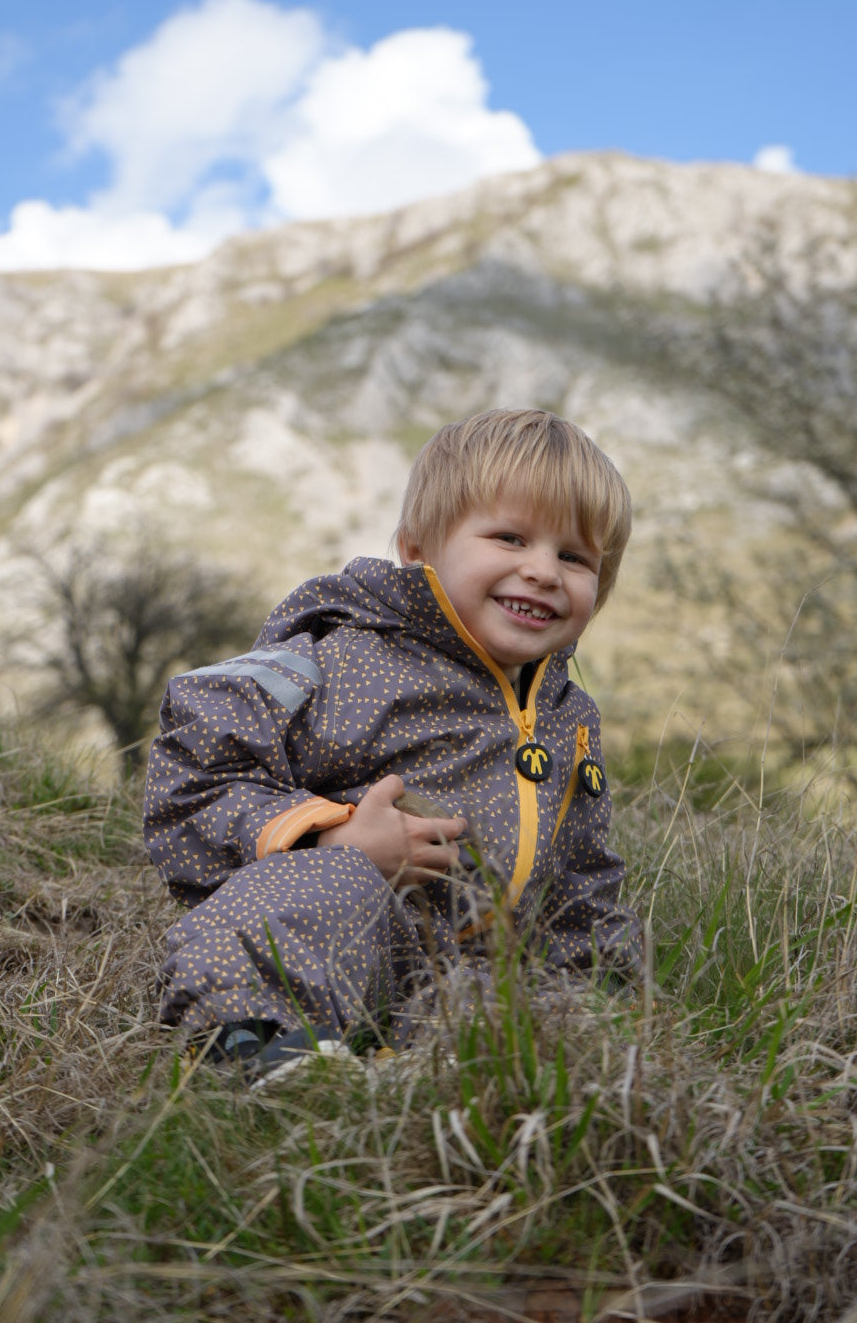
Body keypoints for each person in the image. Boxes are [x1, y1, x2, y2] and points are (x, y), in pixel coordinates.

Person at [143, 408, 641, 1076]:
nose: (544, 571)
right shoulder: (342, 657)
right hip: (343, 933)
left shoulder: (566, 717)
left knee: (547, 1004)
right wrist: (328, 836)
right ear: (417, 549)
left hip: (464, 993)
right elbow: (194, 779)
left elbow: (583, 878)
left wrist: (608, 998)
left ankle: (441, 1070)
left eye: (573, 556)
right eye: (511, 538)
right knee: (320, 890)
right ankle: (262, 1044)